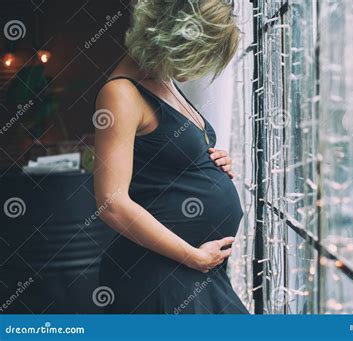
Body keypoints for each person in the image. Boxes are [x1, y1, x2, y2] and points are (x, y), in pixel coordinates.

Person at [93, 0, 248, 314]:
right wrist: (194, 256)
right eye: (198, 55)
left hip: (196, 273)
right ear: (171, 38)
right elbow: (112, 204)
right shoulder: (120, 94)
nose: (200, 68)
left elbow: (166, 161)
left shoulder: (164, 81)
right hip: (162, 275)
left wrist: (209, 162)